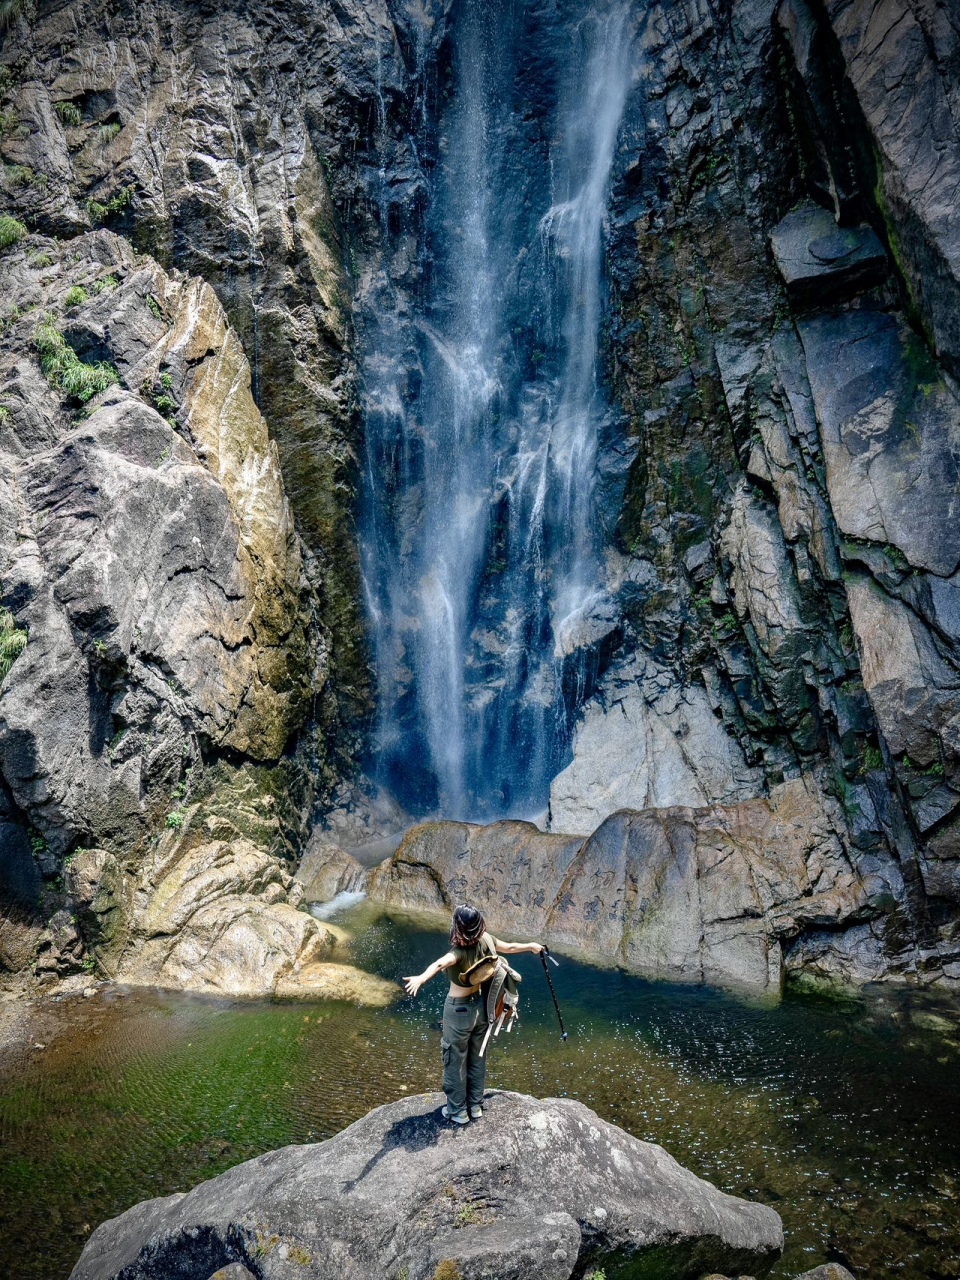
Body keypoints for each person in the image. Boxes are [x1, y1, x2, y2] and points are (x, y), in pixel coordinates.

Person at [403, 904, 545, 1125]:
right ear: (479, 924)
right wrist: (532, 946)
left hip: (458, 1010)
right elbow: (510, 947)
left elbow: (440, 963)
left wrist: (421, 978)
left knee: (454, 1059)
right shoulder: (488, 940)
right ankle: (476, 1105)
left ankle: (458, 1111)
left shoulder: (457, 953)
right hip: (481, 1006)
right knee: (477, 1056)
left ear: (457, 928)